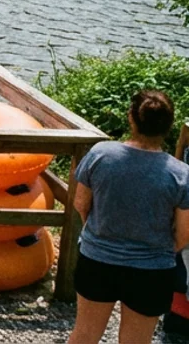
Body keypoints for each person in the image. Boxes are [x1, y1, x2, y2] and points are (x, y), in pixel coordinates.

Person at [68, 89, 189, 344]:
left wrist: (100, 233)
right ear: (169, 125)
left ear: (131, 119)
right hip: (152, 271)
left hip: (98, 261)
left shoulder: (100, 154)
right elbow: (183, 235)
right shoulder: (181, 175)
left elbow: (81, 204)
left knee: (85, 335)